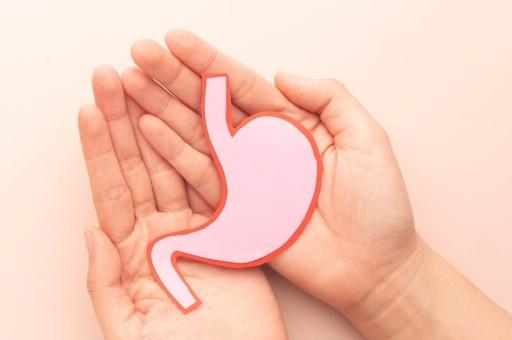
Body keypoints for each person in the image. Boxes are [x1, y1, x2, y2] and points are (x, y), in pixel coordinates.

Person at [77, 29, 512, 339]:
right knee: (171, 248)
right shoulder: (246, 174)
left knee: (171, 247)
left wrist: (392, 279)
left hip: (249, 219)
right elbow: (218, 130)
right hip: (246, 220)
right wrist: (395, 284)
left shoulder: (248, 177)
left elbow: (217, 127)